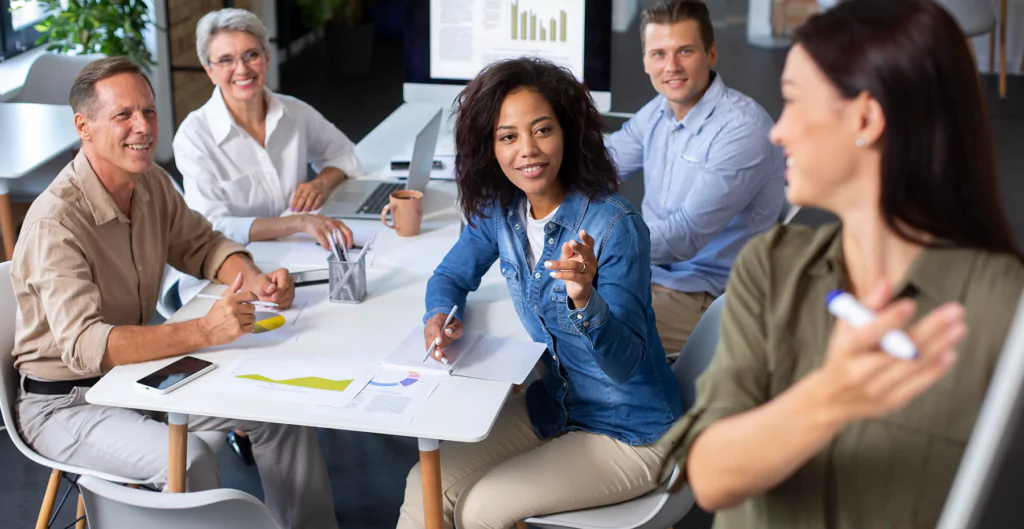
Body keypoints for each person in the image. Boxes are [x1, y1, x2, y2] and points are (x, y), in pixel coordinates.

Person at [659, 1, 1024, 527]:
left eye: (792, 103)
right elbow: (711, 477)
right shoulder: (771, 267)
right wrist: (831, 397)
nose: (777, 131)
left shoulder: (1002, 309)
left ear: (866, 117)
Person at [10, 57, 337, 529]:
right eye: (123, 115)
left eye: (149, 111)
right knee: (184, 462)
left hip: (138, 378)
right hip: (67, 403)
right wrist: (205, 330)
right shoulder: (55, 221)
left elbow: (204, 246)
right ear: (84, 126)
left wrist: (251, 279)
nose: (143, 127)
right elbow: (86, 348)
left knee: (277, 413)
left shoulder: (151, 184)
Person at [396, 57, 683, 529]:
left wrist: (584, 297)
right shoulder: (502, 212)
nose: (528, 150)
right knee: (423, 485)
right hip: (555, 405)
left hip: (631, 430)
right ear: (490, 148)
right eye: (508, 136)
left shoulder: (614, 225)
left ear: (568, 133)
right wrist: (439, 315)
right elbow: (449, 276)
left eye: (543, 130)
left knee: (480, 509)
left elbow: (624, 363)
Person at [606, 0, 785, 355]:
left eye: (685, 51)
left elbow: (683, 238)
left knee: (580, 329)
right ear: (645, 61)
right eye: (658, 54)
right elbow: (601, 165)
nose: (671, 67)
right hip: (652, 277)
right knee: (548, 297)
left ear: (711, 53)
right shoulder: (657, 111)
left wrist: (599, 246)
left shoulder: (742, 130)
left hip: (708, 297)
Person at [171, 7, 362, 306]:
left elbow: (344, 154)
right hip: (231, 273)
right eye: (225, 60)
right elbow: (213, 227)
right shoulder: (194, 136)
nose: (242, 69)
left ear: (267, 57)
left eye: (251, 55)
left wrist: (322, 183)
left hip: (296, 258)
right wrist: (298, 223)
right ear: (209, 71)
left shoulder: (293, 111)